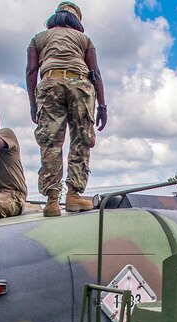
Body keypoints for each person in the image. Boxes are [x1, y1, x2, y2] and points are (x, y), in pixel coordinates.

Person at [26, 1, 108, 217]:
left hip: (49, 82)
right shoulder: (84, 39)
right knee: (81, 140)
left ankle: (52, 201)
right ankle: (73, 196)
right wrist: (102, 106)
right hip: (80, 84)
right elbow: (96, 73)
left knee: (51, 143)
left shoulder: (39, 38)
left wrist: (33, 103)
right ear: (76, 20)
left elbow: (31, 70)